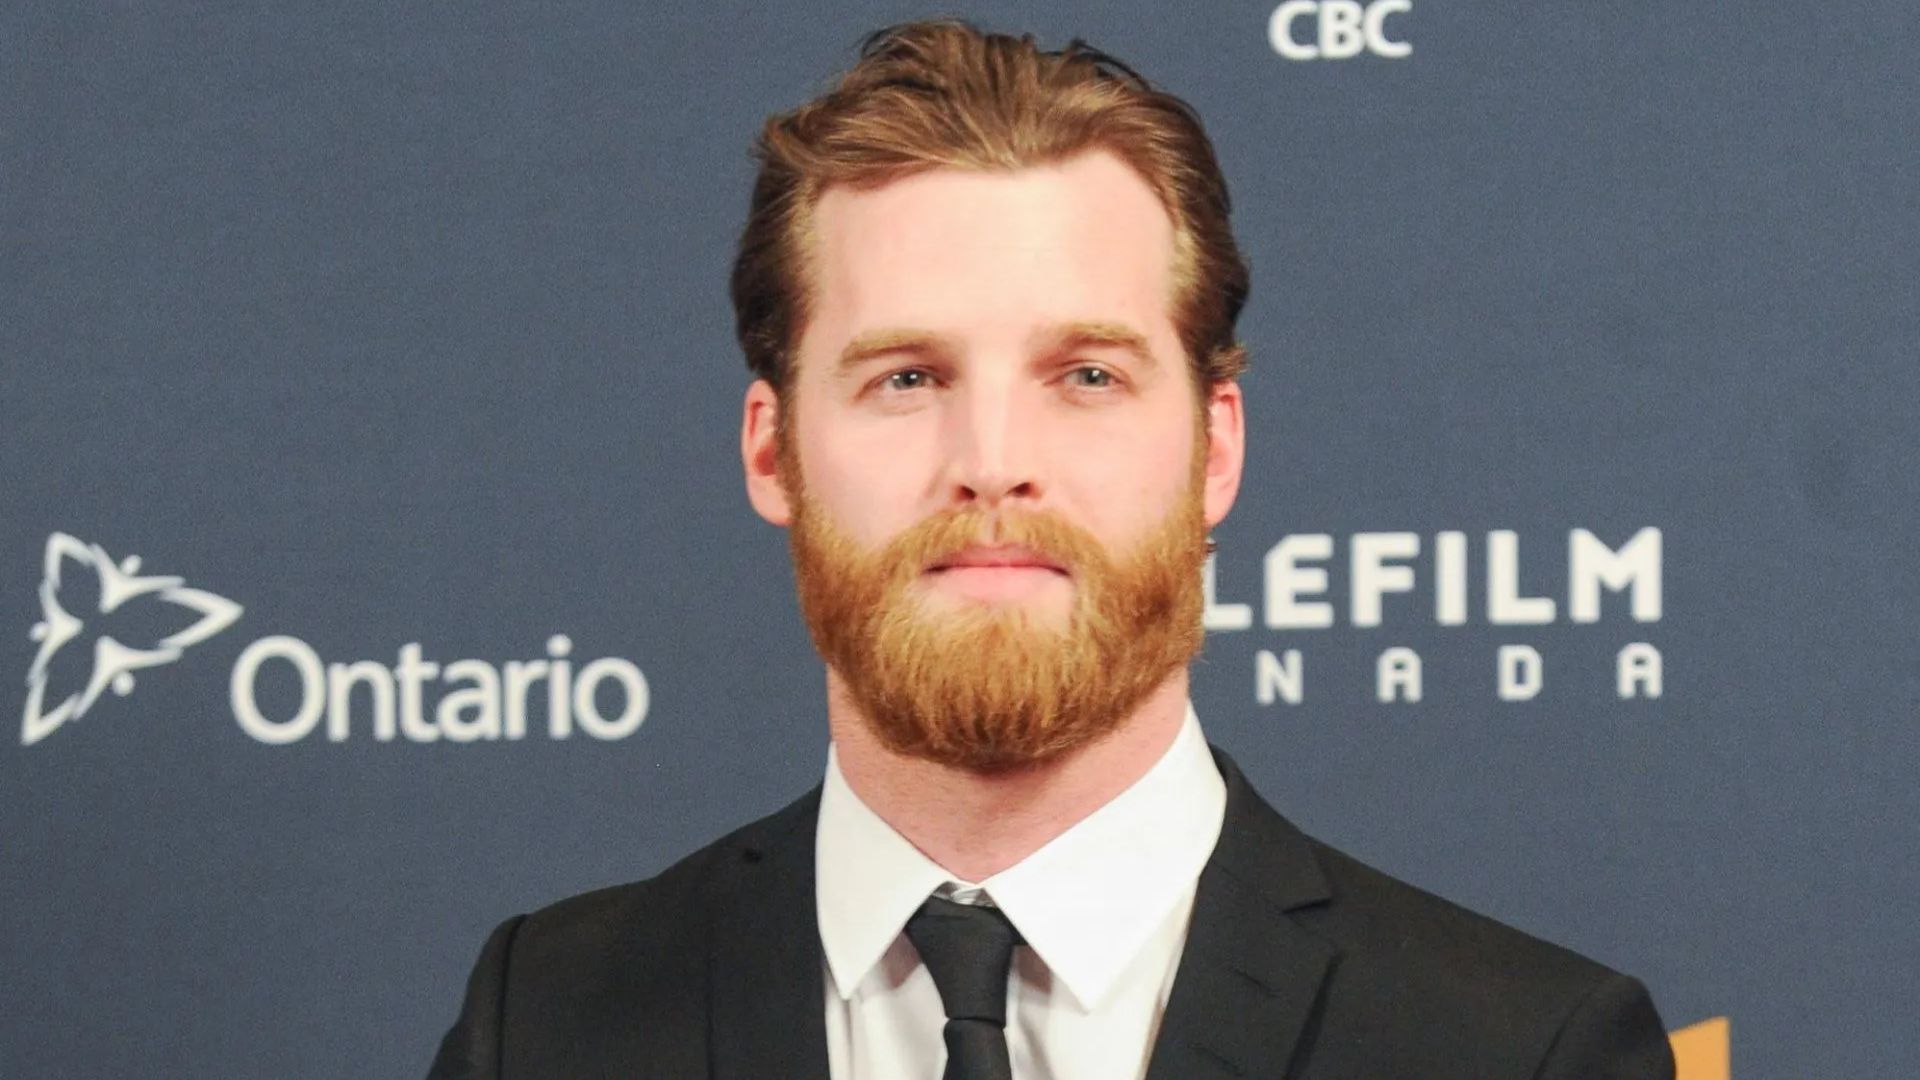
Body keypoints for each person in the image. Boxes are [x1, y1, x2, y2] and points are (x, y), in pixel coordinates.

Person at [428, 20, 1674, 1079]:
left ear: (1215, 448)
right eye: (906, 376)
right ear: (771, 451)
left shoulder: (1518, 1050)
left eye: (1086, 375)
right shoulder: (546, 1024)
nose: (991, 459)